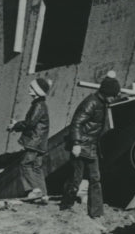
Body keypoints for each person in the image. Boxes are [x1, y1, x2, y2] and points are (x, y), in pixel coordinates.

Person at [60, 75, 123, 218]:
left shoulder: (104, 103)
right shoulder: (91, 103)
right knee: (76, 178)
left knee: (95, 178)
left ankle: (96, 213)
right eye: (113, 96)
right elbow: (76, 123)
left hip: (92, 147)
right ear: (106, 93)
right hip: (81, 146)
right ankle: (66, 206)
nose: (114, 99)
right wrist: (76, 143)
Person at [9, 77, 51, 203]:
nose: (29, 89)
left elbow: (30, 123)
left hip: (34, 142)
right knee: (37, 168)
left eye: (32, 87)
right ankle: (43, 195)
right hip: (41, 142)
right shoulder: (42, 105)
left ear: (37, 91)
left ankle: (36, 190)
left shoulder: (38, 105)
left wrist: (15, 126)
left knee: (25, 164)